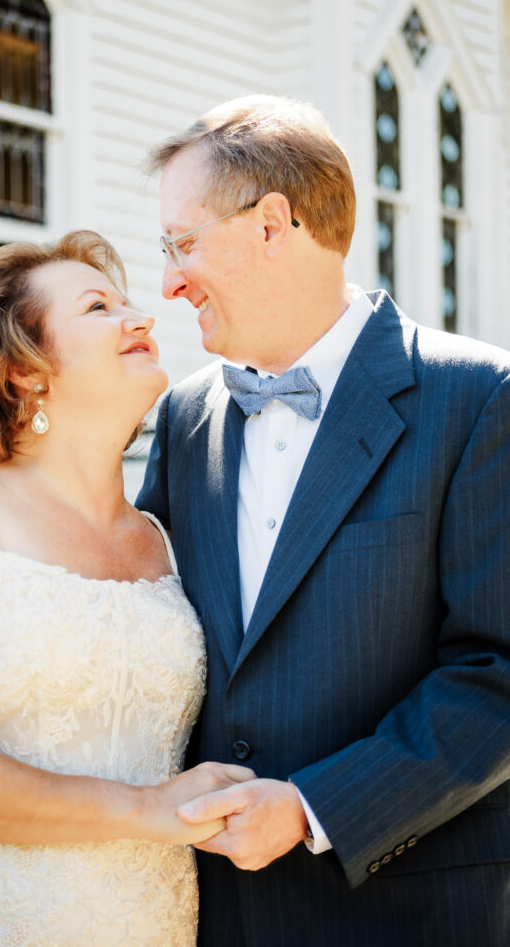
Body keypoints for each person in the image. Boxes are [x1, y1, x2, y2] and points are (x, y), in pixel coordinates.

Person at [136, 95, 510, 946]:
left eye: (181, 244)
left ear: (272, 223)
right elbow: (143, 637)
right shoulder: (185, 419)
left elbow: (498, 673)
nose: (167, 281)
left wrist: (311, 807)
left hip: (407, 908)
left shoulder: (480, 398)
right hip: (212, 911)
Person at [0, 231, 255, 947]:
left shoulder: (167, 536)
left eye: (129, 303)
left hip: (150, 916)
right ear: (24, 371)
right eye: (99, 307)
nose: (139, 317)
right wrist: (150, 809)